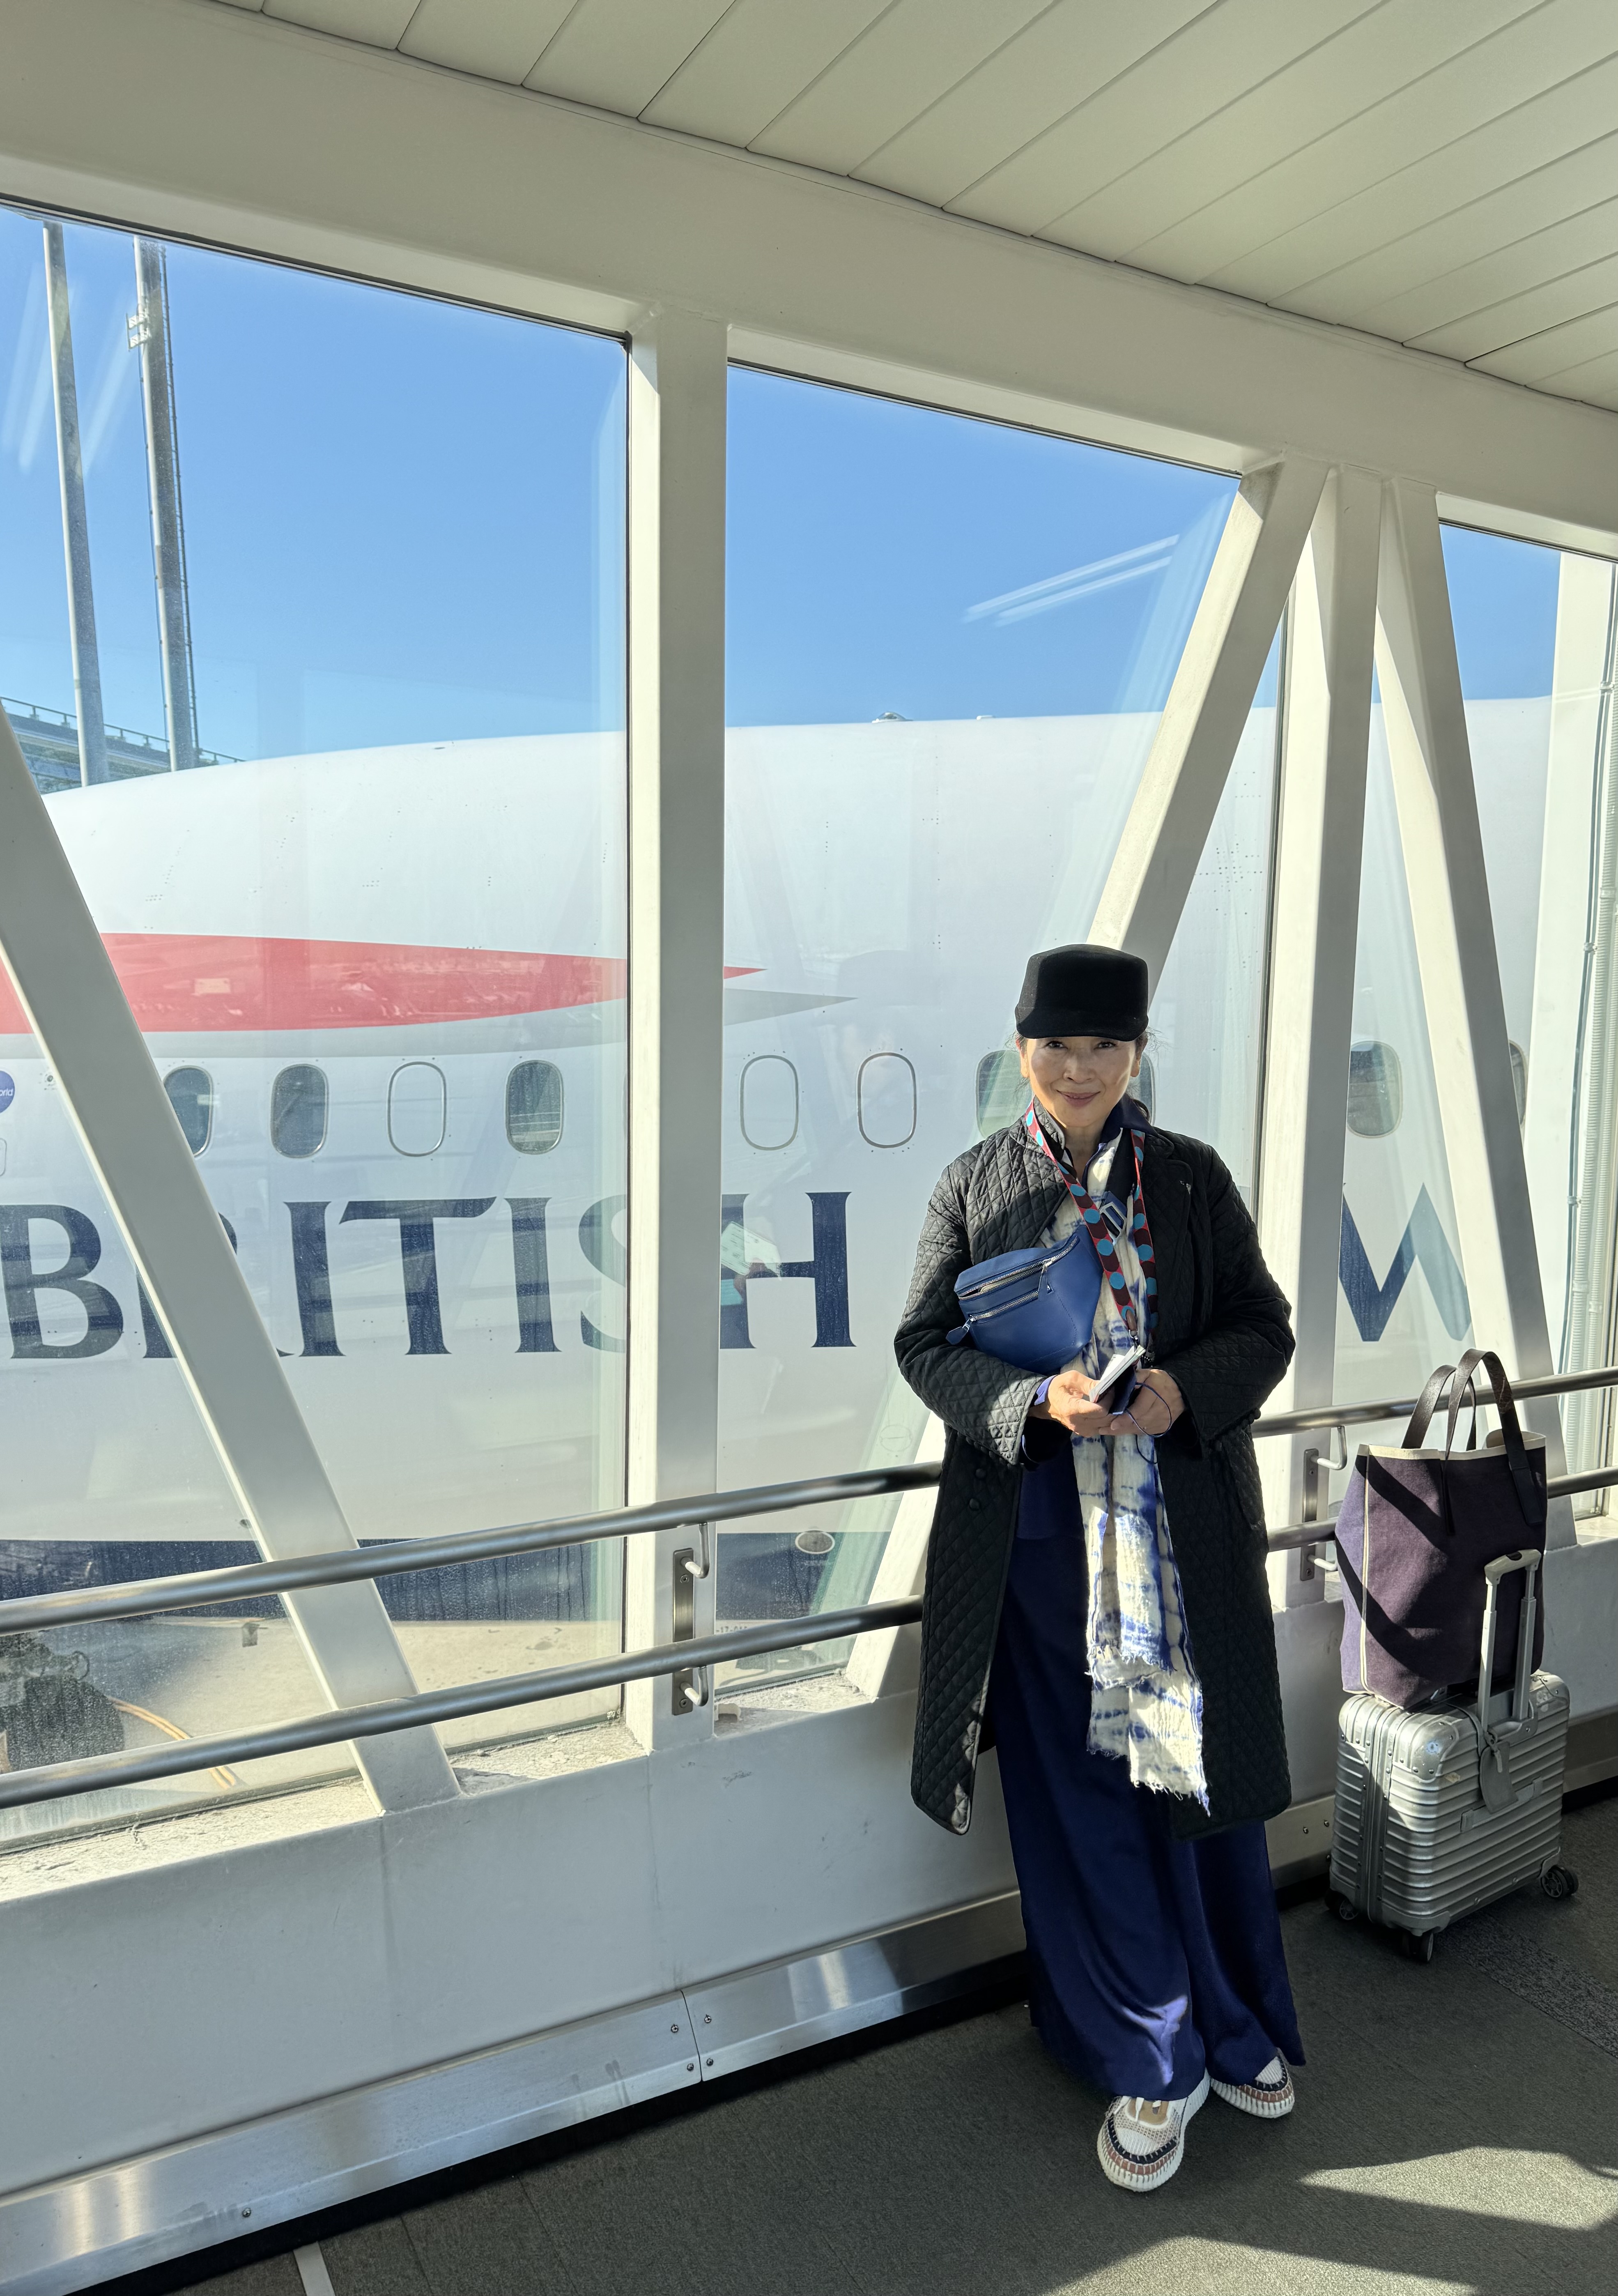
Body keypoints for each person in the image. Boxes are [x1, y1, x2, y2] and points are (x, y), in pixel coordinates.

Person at [895, 943, 1302, 2193]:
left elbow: (1264, 1325)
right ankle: (1147, 2054)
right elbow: (922, 1344)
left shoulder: (1189, 1178)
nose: (1078, 1070)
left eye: (1103, 1047)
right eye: (1055, 1046)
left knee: (1196, 1780)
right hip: (1039, 1543)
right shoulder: (974, 1182)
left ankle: (1232, 2018)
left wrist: (1181, 1388)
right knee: (1081, 1800)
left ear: (1136, 1053)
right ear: (1021, 1048)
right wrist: (1030, 1402)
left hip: (1177, 1531)